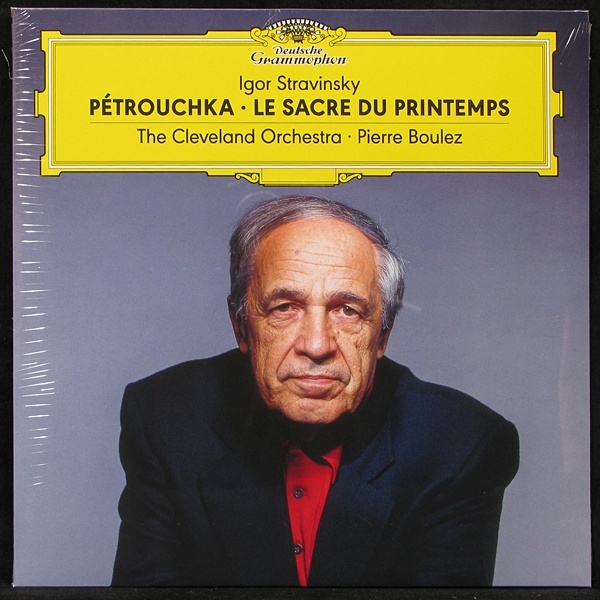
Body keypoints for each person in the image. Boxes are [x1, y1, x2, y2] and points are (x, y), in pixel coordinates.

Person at [112, 195, 519, 587]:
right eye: (285, 307)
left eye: (347, 310)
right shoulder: (164, 418)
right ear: (241, 326)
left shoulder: (461, 444)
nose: (317, 345)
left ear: (382, 335)